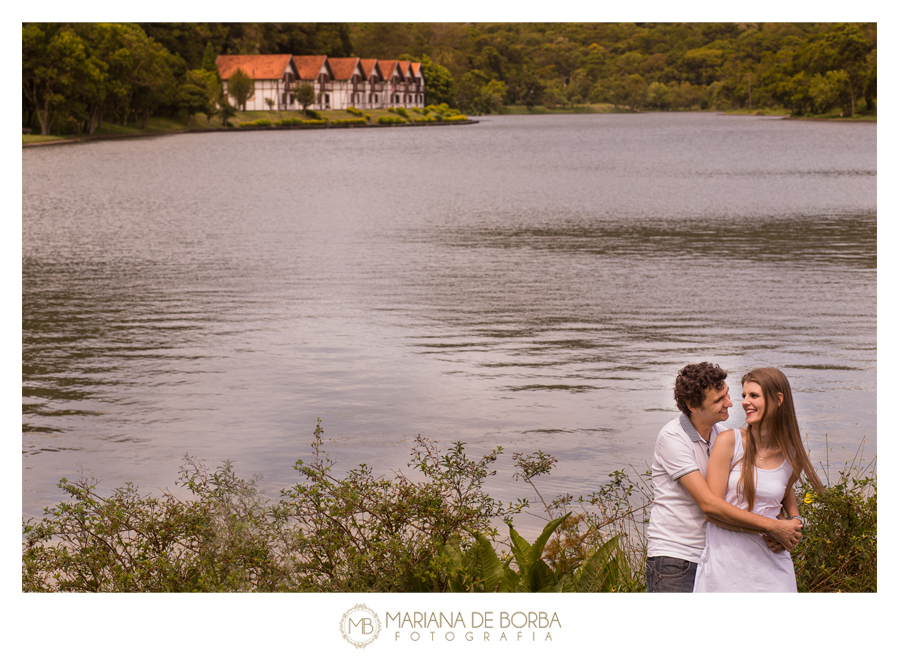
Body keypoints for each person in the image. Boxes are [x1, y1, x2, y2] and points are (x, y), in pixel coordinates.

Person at [646, 362, 804, 593]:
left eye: (728, 394)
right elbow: (709, 504)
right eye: (719, 399)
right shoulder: (673, 438)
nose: (730, 403)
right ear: (692, 405)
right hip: (676, 556)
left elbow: (776, 485)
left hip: (714, 549)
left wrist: (794, 521)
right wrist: (772, 527)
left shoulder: (722, 434)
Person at [693, 367, 825, 592]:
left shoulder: (793, 456)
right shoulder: (728, 442)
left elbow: (778, 498)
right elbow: (712, 511)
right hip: (725, 568)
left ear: (778, 400)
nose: (745, 402)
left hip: (774, 571)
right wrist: (773, 527)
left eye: (753, 395)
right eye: (744, 395)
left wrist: (794, 522)